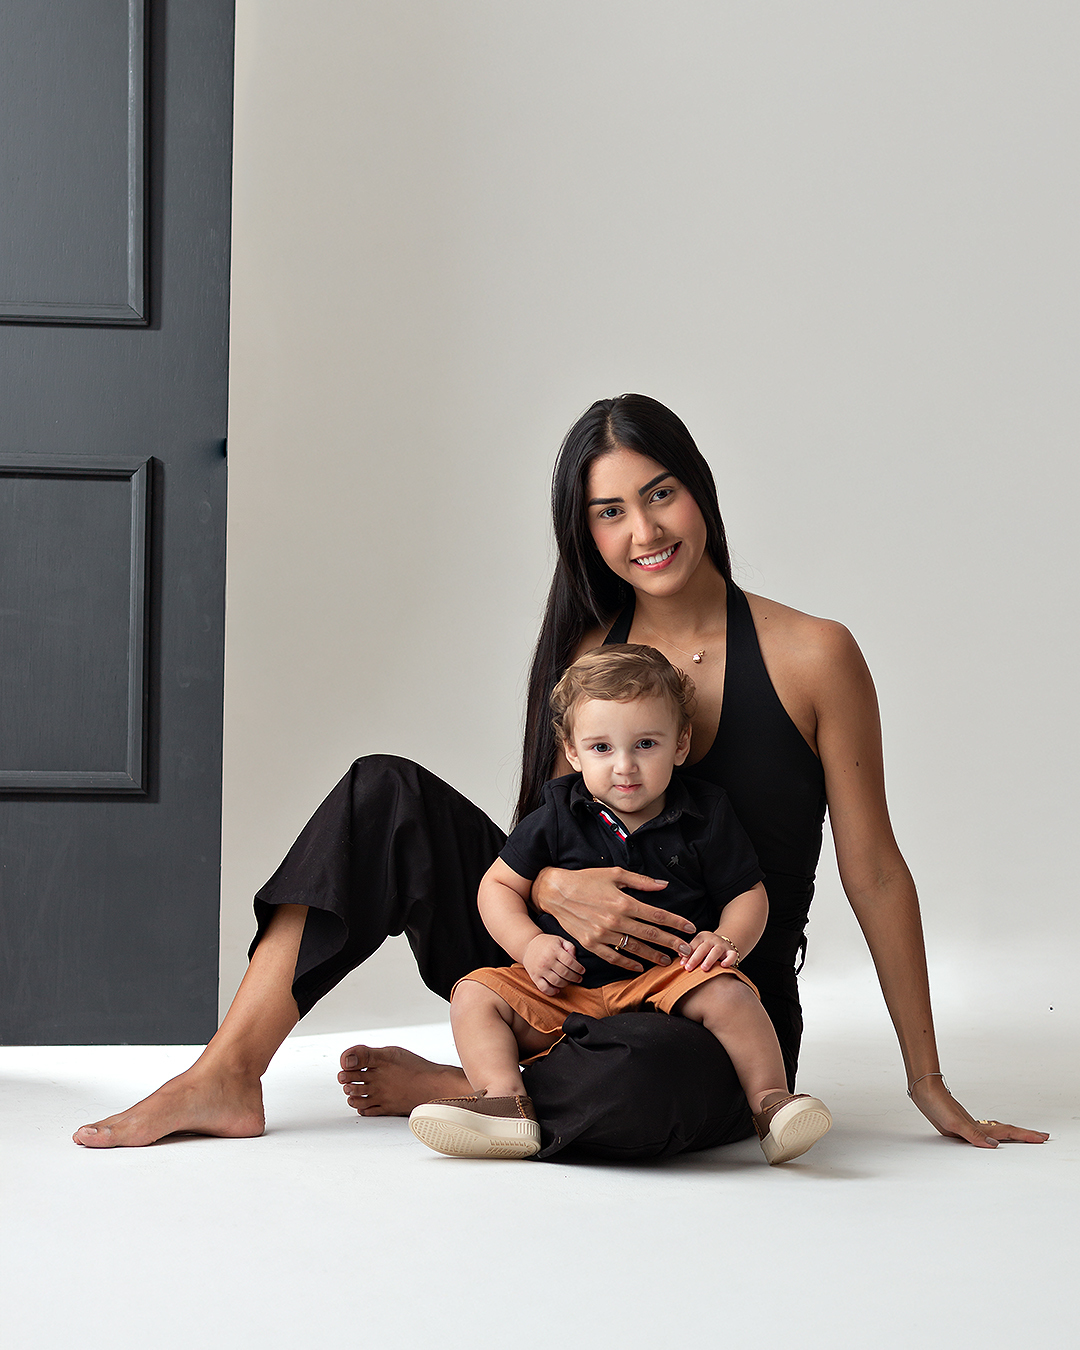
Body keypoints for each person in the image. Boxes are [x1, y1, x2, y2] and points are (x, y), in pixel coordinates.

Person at [72, 394, 1047, 1157]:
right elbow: (536, 845)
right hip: (557, 972)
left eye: (660, 494)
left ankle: (468, 1088)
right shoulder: (587, 651)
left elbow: (875, 871)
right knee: (381, 793)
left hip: (707, 1003)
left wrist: (928, 1082)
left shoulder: (813, 655)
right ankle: (228, 1073)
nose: (644, 531)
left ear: (700, 492)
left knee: (641, 1087)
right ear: (586, 533)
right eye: (609, 512)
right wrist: (550, 893)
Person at [408, 644, 832, 1164]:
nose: (625, 767)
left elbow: (748, 893)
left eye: (645, 744)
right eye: (602, 748)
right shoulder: (558, 814)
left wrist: (724, 941)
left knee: (730, 993)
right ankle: (504, 1103)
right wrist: (530, 944)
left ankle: (770, 1102)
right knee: (474, 994)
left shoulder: (704, 815)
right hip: (565, 989)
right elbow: (496, 887)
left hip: (669, 978)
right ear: (573, 751)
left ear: (681, 744)